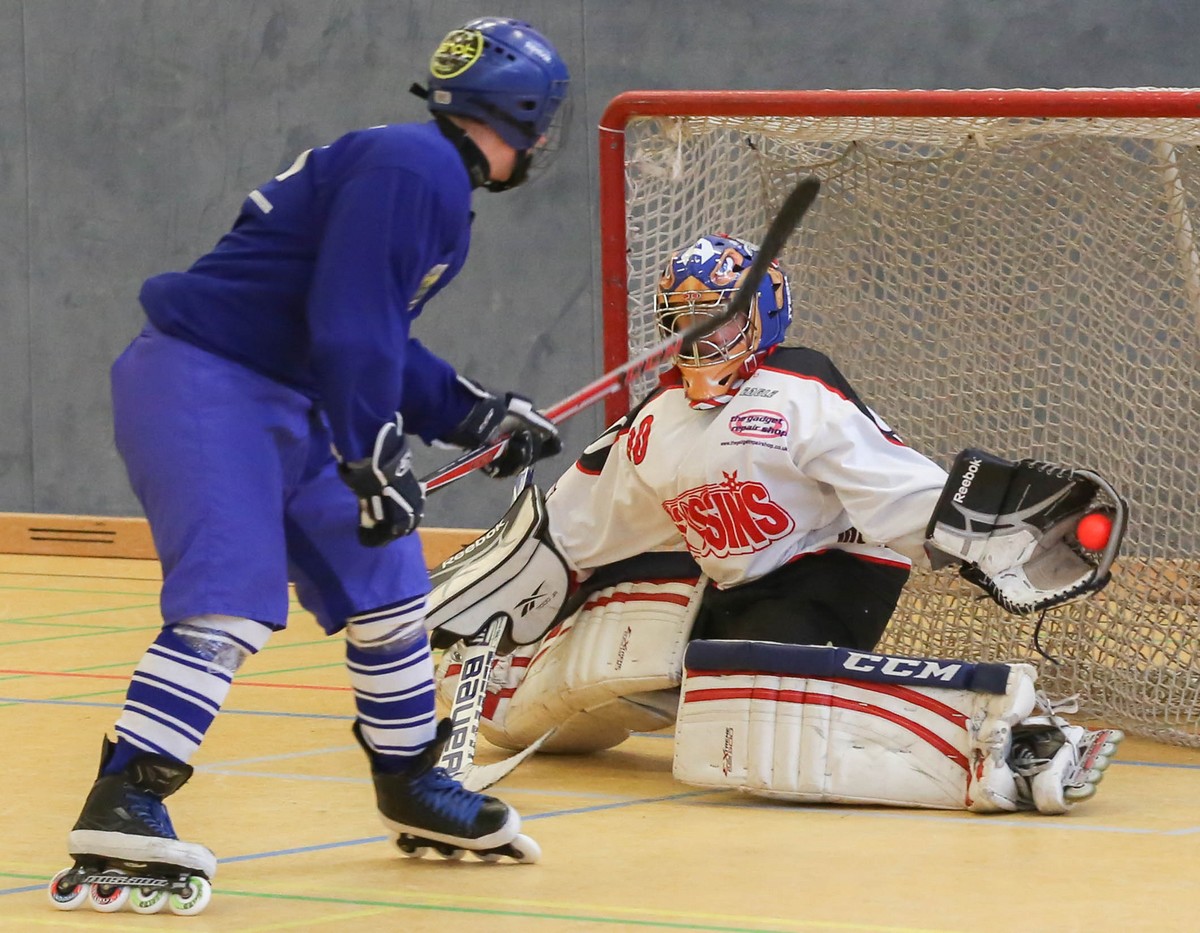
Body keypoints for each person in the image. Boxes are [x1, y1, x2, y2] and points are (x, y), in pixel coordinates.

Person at [48, 16, 569, 916]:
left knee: (389, 582)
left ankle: (409, 780)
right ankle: (125, 794)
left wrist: (474, 410)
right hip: (207, 382)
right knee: (230, 594)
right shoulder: (418, 169)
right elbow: (351, 323)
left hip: (288, 393)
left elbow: (369, 327)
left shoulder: (416, 167)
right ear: (527, 118)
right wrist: (371, 452)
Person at [428, 232, 1125, 816]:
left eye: (719, 319)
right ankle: (507, 682)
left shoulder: (798, 389)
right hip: (728, 583)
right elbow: (575, 528)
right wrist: (503, 597)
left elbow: (892, 484)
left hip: (832, 573)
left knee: (746, 716)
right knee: (549, 698)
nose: (701, 337)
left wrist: (992, 536)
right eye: (684, 319)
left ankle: (1017, 737)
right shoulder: (656, 421)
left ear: (762, 315)